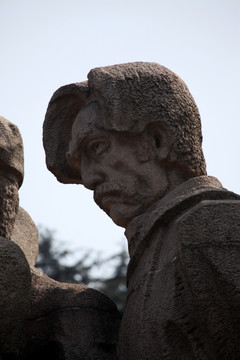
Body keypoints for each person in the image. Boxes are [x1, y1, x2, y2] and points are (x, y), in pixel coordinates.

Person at [43, 62, 240, 359]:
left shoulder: (212, 224)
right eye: (79, 164)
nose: (89, 178)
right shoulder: (156, 247)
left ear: (158, 141)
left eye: (97, 147)